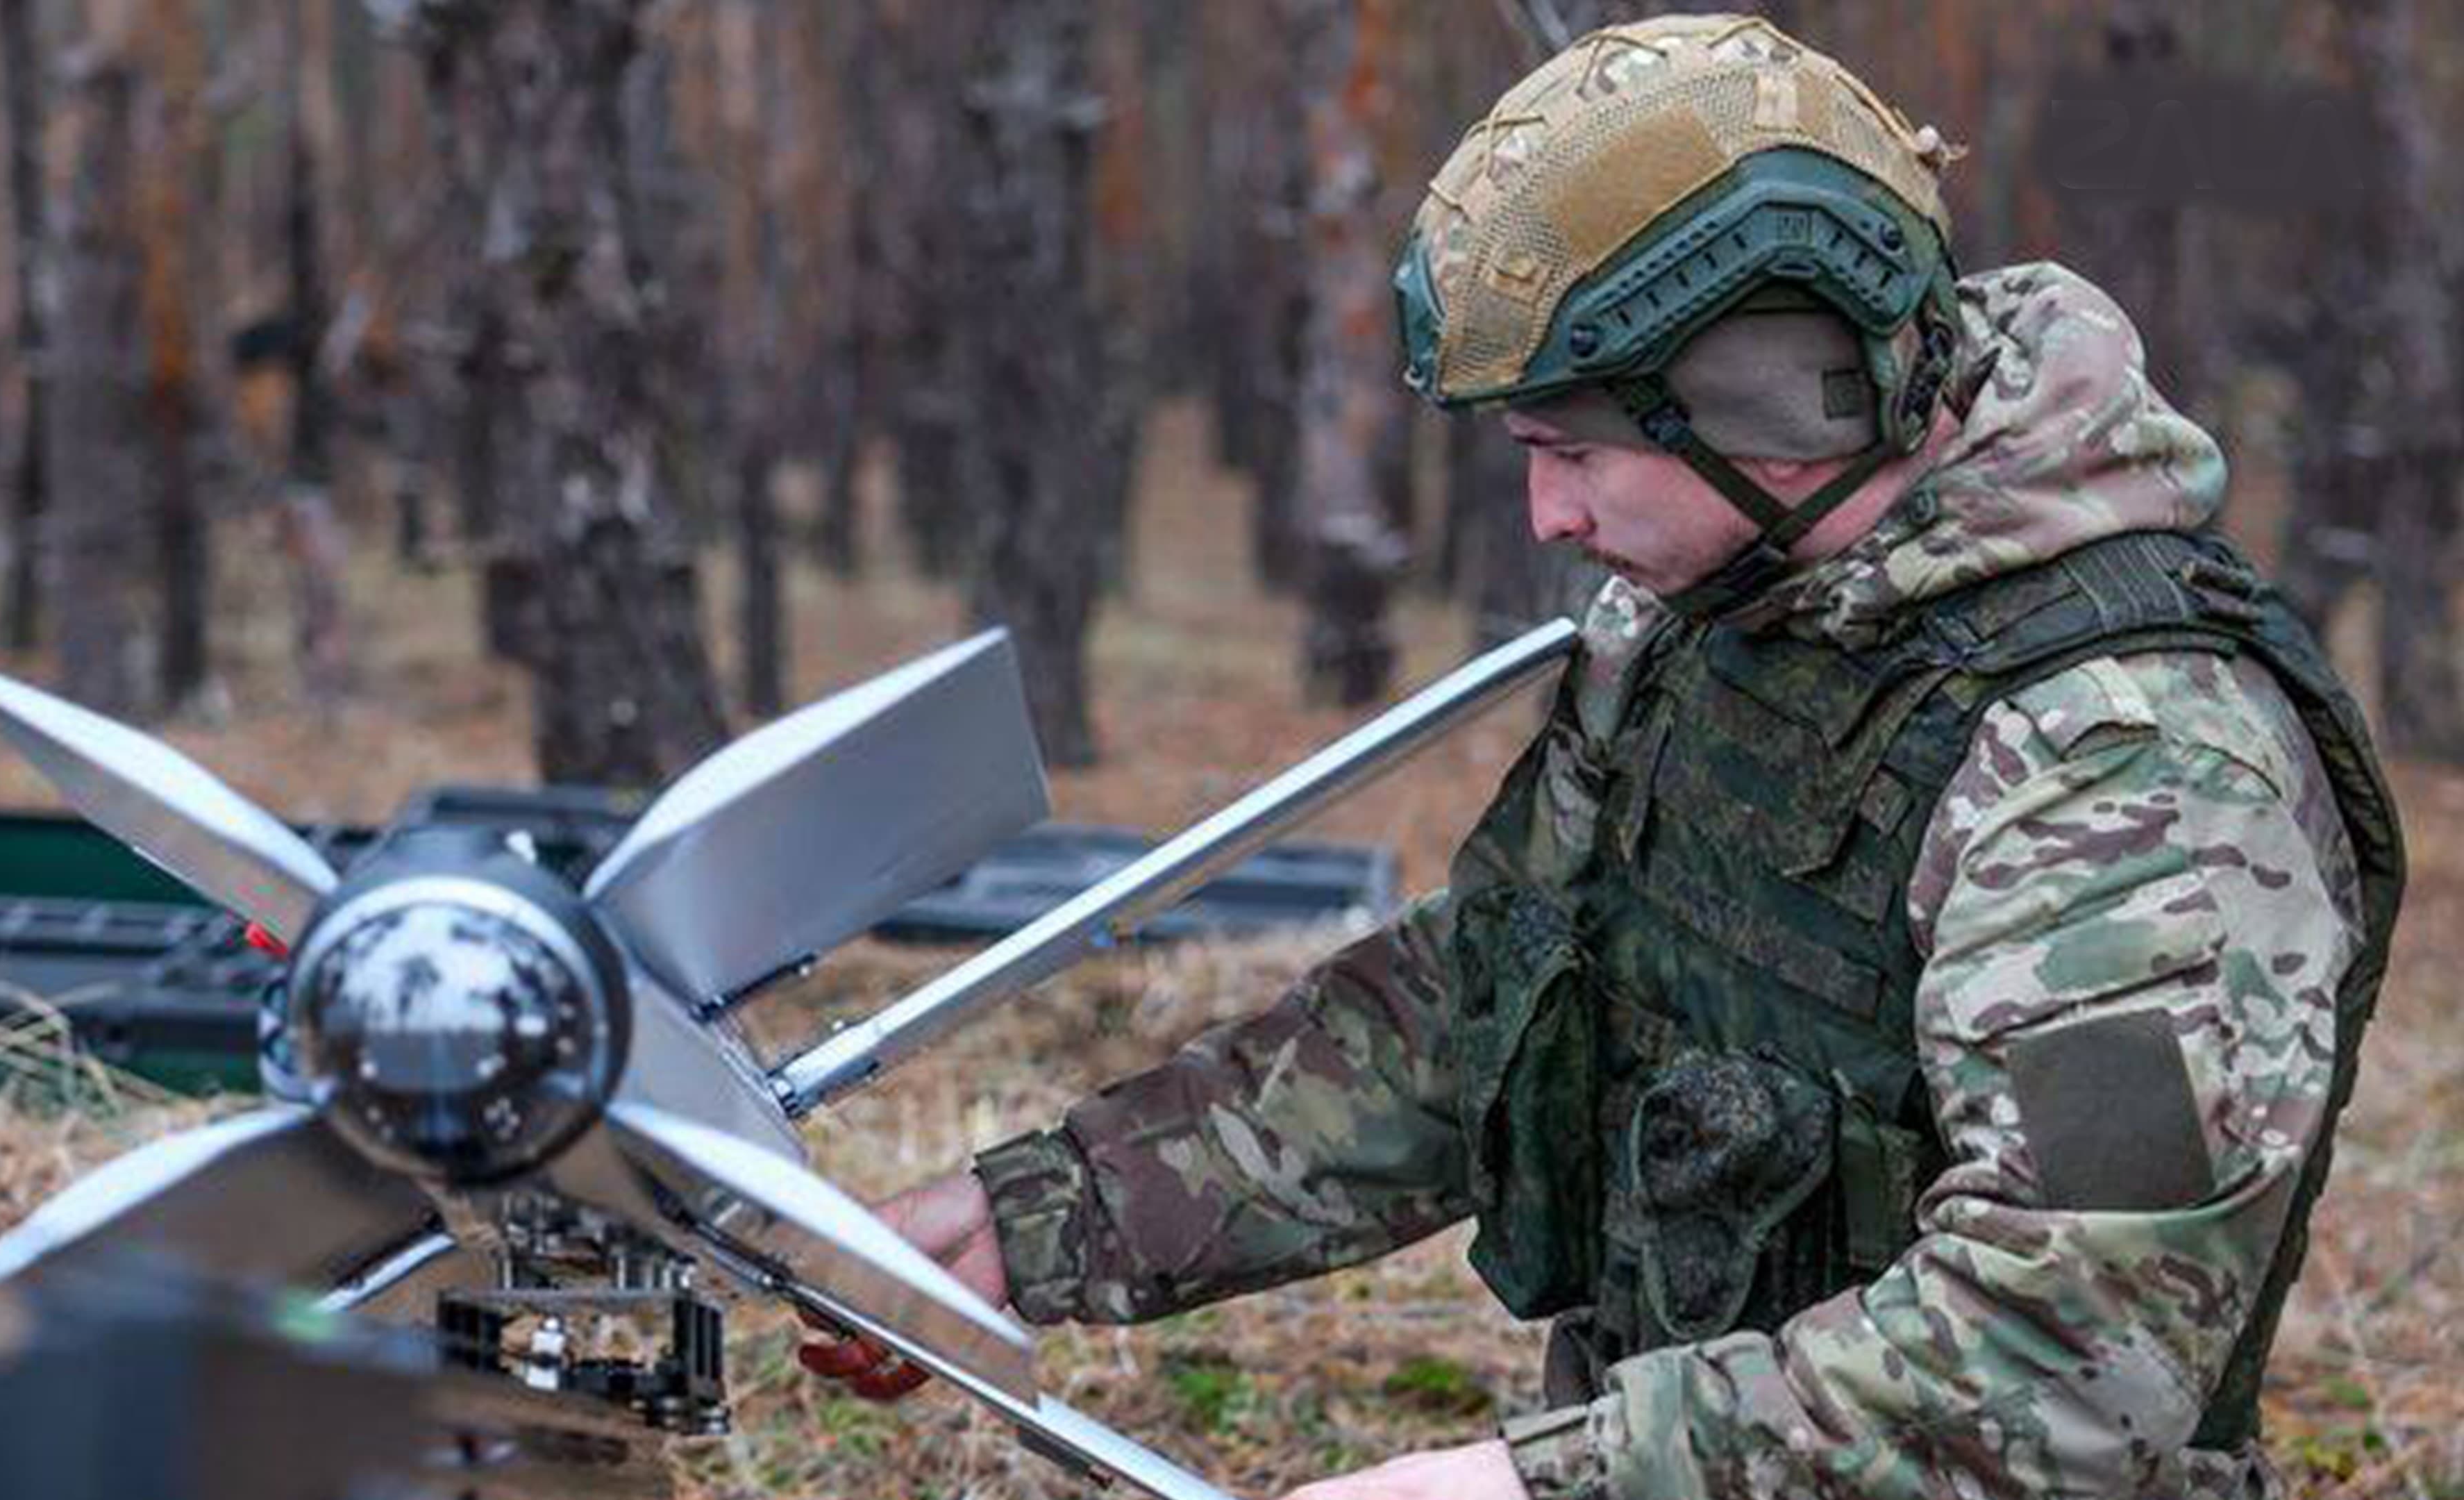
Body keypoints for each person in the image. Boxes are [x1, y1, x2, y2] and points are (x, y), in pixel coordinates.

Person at [803, 15, 2406, 1499]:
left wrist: (1529, 1485)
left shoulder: (2132, 772)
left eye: (1573, 451)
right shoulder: (1711, 614)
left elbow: (2073, 1355)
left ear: (1774, 401)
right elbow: (1500, 1002)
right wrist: (1043, 1223)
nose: (1547, 516)